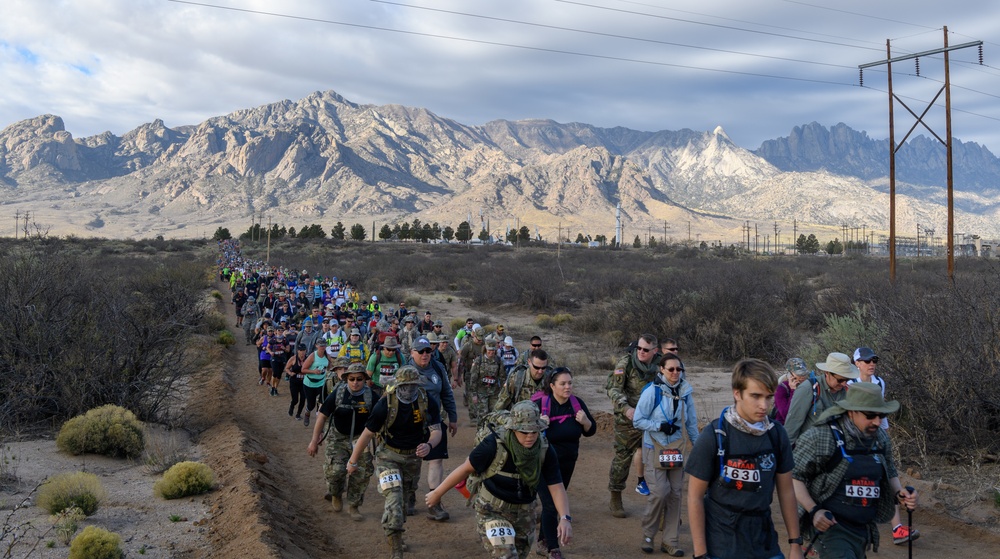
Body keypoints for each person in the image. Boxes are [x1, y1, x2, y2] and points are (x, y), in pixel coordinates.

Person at [685, 359, 803, 559]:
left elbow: (786, 492)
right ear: (737, 393)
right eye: (755, 396)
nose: (763, 405)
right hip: (722, 542)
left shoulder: (776, 435)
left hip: (764, 541)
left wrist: (795, 544)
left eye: (769, 397)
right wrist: (700, 553)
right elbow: (694, 497)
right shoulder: (715, 435)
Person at [425, 401, 573, 559]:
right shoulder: (493, 445)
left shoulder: (544, 449)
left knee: (519, 554)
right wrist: (437, 493)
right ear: (513, 428)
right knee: (507, 555)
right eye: (524, 432)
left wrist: (565, 518)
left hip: (524, 513)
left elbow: (556, 486)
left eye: (534, 431)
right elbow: (465, 468)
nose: (530, 436)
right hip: (492, 511)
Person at [792, 382, 919, 558]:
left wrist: (900, 493)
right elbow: (794, 476)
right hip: (831, 529)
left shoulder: (880, 438)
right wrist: (814, 510)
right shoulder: (822, 436)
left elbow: (889, 470)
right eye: (870, 415)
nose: (877, 421)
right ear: (851, 412)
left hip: (862, 530)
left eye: (880, 415)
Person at [347, 366, 441, 559]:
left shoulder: (426, 401)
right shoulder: (385, 405)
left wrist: (429, 446)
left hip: (413, 459)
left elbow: (437, 430)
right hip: (388, 457)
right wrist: (353, 461)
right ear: (398, 385)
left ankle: (394, 531)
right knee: (394, 499)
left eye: (413, 385)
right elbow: (367, 434)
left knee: (404, 503)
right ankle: (396, 549)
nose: (409, 390)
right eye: (405, 386)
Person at [847, 347, 918, 545]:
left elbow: (880, 413)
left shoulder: (880, 382)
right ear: (857, 363)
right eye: (867, 361)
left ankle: (897, 529)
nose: (871, 364)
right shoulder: (850, 384)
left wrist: (885, 439)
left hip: (875, 437)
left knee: (886, 478)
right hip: (854, 439)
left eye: (874, 360)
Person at [632, 353, 698, 556]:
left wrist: (699, 447)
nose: (675, 373)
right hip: (654, 446)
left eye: (679, 369)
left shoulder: (686, 392)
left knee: (676, 494)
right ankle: (648, 535)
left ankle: (671, 541)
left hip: (676, 449)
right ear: (661, 369)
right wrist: (659, 426)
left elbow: (692, 423)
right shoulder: (652, 392)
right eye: (671, 369)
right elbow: (637, 420)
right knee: (660, 492)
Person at [533, 367, 596, 559]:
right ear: (552, 386)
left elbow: (590, 430)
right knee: (551, 505)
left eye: (570, 383)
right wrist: (538, 425)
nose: (568, 387)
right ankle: (552, 547)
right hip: (543, 464)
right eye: (563, 383)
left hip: (568, 462)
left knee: (554, 504)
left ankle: (543, 540)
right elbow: (520, 433)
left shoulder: (577, 404)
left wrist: (585, 421)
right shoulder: (538, 404)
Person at [308, 362, 374, 521]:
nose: (355, 382)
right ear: (347, 379)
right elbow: (322, 416)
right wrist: (314, 440)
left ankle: (354, 505)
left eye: (359, 379)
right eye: (352, 379)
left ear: (364, 379)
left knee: (361, 473)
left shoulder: (371, 396)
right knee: (335, 471)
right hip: (337, 437)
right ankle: (336, 494)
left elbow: (380, 419)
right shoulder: (338, 393)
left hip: (360, 439)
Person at [605, 333, 659, 518]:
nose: (641, 352)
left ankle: (660, 504)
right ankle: (615, 495)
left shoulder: (660, 364)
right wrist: (626, 408)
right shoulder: (625, 364)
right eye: (639, 348)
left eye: (646, 349)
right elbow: (613, 389)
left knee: (659, 461)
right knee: (623, 458)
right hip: (629, 419)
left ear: (655, 351)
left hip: (653, 420)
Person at [406, 337, 458, 522]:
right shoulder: (405, 369)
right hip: (410, 423)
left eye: (428, 351)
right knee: (411, 461)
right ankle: (409, 497)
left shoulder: (437, 368)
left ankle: (434, 503)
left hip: (434, 421)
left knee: (436, 460)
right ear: (412, 352)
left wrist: (453, 418)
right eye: (421, 351)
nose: (425, 354)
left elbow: (446, 393)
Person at [784, 352, 859, 446]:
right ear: (827, 373)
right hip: (810, 448)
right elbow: (793, 423)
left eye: (847, 380)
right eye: (840, 380)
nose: (844, 384)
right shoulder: (808, 389)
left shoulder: (848, 392)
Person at [468, 341, 507, 428]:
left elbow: (502, 377)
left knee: (494, 414)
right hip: (481, 392)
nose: (491, 352)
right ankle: (481, 434)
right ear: (485, 349)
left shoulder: (498, 361)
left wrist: (503, 392)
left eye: (493, 350)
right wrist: (474, 394)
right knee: (483, 414)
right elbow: (473, 378)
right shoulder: (479, 360)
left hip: (494, 392)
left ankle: (491, 434)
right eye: (489, 350)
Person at [300, 338, 330, 427]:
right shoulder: (313, 356)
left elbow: (331, 366)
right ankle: (307, 413)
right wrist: (314, 372)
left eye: (324, 345)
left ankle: (319, 421)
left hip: (321, 383)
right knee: (311, 404)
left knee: (322, 403)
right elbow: (303, 370)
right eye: (320, 345)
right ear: (316, 346)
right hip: (309, 383)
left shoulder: (327, 356)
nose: (322, 347)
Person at [774, 358, 809, 425]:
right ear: (790, 374)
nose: (802, 377)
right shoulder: (781, 389)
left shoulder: (806, 385)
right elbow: (786, 415)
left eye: (804, 374)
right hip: (784, 426)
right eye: (799, 374)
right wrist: (793, 391)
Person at [286, 342, 309, 420]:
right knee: (295, 399)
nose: (302, 352)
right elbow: (286, 368)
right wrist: (290, 373)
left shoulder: (308, 359)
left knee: (303, 399)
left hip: (304, 382)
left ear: (306, 351)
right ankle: (292, 406)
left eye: (303, 350)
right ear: (298, 351)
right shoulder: (293, 358)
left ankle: (298, 414)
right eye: (300, 350)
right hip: (294, 382)